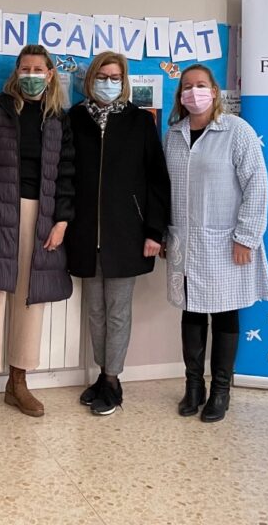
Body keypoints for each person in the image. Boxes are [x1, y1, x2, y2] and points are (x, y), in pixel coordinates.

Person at [0, 44, 74, 423]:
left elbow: (67, 174)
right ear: (16, 73)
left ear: (50, 74)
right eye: (25, 69)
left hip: (42, 215)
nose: (31, 75)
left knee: (30, 299)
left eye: (38, 69)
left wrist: (62, 220)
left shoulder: (58, 119)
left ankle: (18, 383)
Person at [164, 64, 268, 423]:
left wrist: (246, 237)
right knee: (191, 310)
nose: (193, 92)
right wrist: (165, 235)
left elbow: (257, 185)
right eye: (187, 86)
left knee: (224, 313)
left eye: (200, 85)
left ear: (214, 91)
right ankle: (193, 386)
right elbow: (166, 189)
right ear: (180, 95)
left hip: (226, 243)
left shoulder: (237, 131)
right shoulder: (174, 135)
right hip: (185, 240)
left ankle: (220, 391)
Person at [67, 51, 170, 416]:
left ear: (124, 82)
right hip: (84, 235)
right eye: (102, 76)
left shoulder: (140, 121)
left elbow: (157, 180)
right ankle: (102, 374)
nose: (108, 83)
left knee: (118, 312)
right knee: (95, 312)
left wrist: (154, 231)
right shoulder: (75, 118)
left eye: (115, 77)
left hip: (127, 235)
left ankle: (112, 380)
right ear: (90, 79)